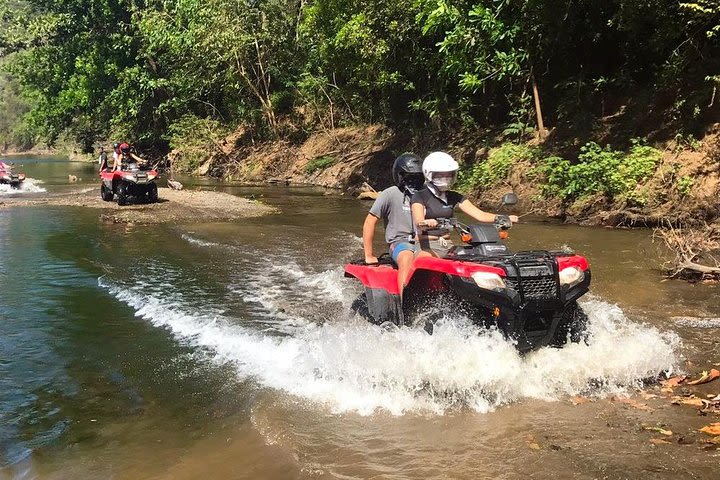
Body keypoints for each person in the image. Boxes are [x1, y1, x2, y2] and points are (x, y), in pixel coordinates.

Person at [411, 151, 518, 258]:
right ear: (429, 174)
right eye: (441, 175)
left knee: (477, 258)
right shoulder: (420, 196)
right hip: (426, 245)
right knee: (426, 261)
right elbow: (418, 222)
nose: (446, 178)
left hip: (448, 244)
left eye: (449, 174)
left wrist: (503, 218)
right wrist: (427, 222)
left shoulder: (454, 196)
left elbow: (480, 215)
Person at [362, 153, 425, 296]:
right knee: (407, 257)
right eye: (409, 177)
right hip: (399, 243)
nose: (413, 181)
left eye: (417, 177)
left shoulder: (426, 193)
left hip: (425, 240)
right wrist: (369, 254)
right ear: (400, 175)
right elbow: (369, 221)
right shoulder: (389, 194)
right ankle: (404, 300)